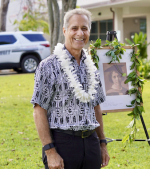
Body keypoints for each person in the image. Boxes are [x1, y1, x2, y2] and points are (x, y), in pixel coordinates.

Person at [31, 8, 110, 169]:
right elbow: (39, 110)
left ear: (89, 31)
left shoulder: (92, 68)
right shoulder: (48, 66)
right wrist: (50, 151)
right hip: (62, 144)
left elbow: (96, 107)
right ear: (65, 30)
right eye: (74, 28)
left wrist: (102, 143)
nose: (80, 33)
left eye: (84, 28)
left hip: (91, 144)